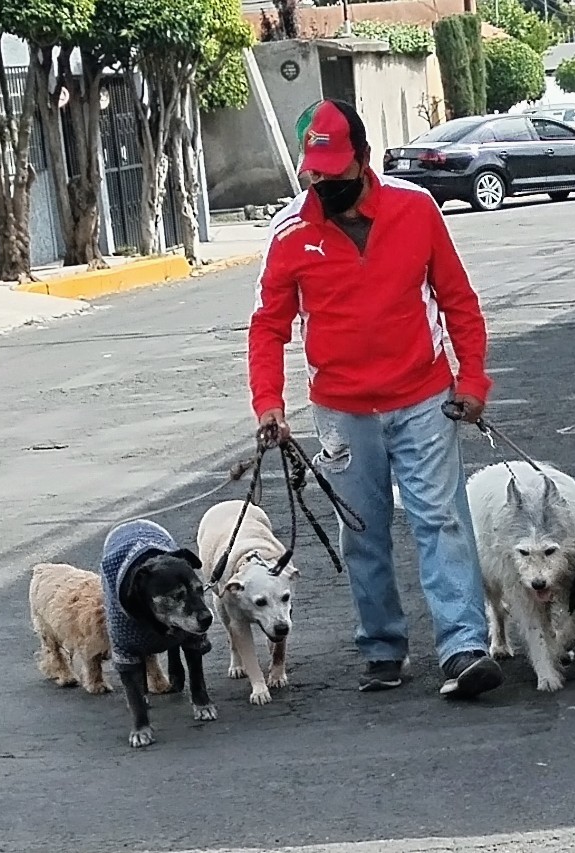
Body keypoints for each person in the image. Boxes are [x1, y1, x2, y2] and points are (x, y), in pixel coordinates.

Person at [246, 98, 504, 700]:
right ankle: (383, 647)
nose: (322, 183)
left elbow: (458, 301)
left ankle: (463, 647)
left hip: (424, 397)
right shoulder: (289, 232)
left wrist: (472, 381)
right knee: (362, 531)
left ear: (363, 158)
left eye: (334, 171)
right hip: (340, 411)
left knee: (442, 520)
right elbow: (268, 325)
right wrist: (268, 402)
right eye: (313, 172)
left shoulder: (416, 209)